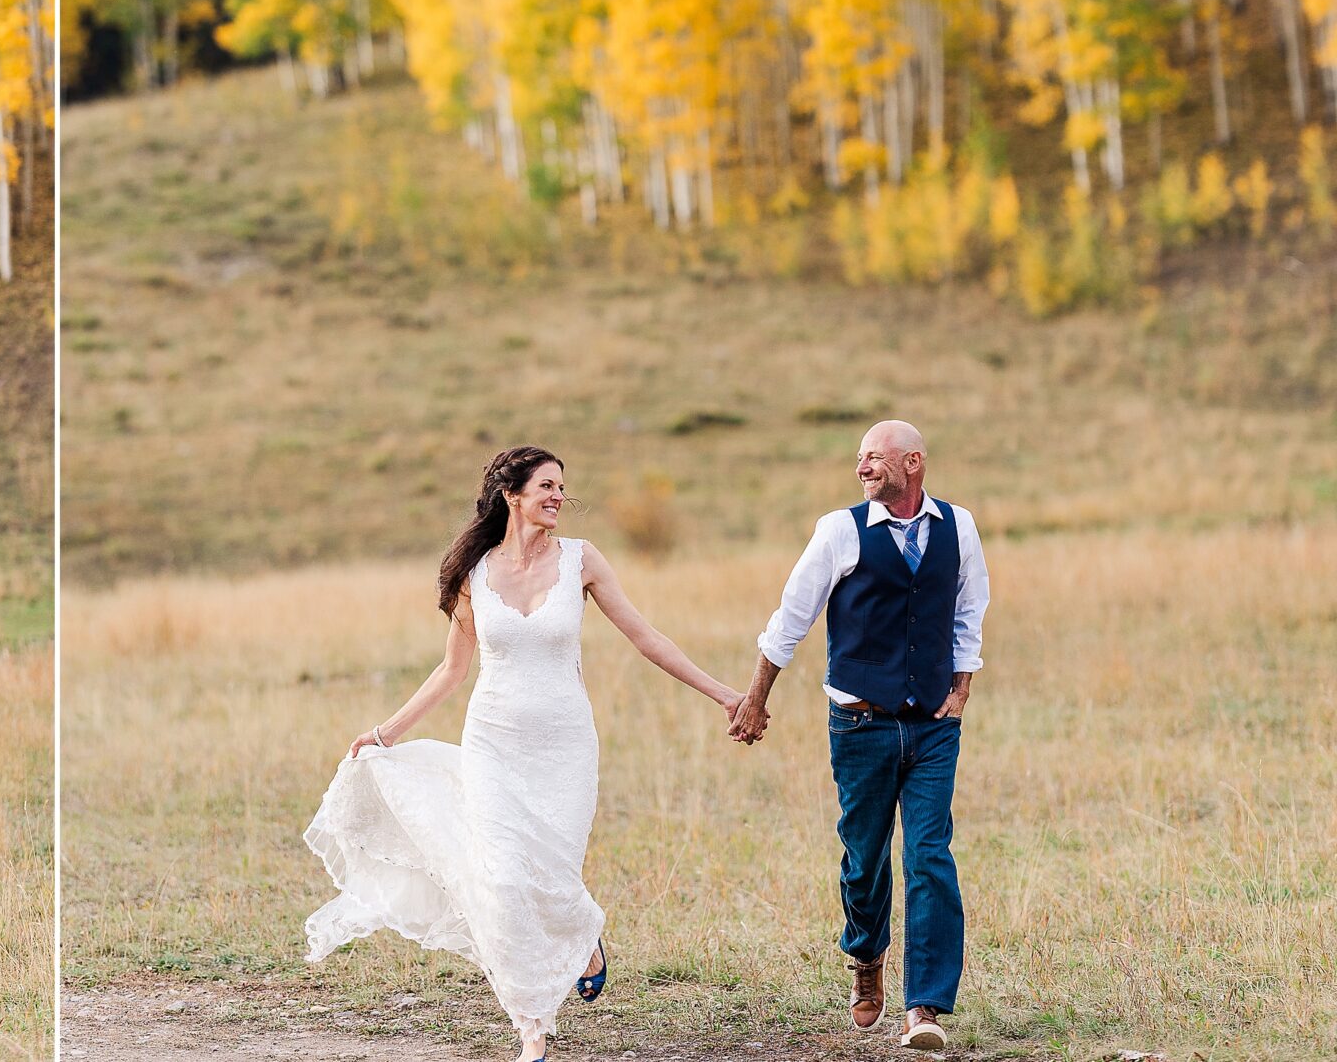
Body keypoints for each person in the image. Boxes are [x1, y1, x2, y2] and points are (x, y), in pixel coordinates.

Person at [302, 446, 754, 1061]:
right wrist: (386, 732)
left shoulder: (581, 561)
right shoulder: (476, 574)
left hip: (566, 748)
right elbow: (451, 669)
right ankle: (531, 1029)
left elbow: (647, 638)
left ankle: (584, 936)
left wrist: (726, 694)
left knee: (554, 876)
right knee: (506, 881)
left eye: (562, 487)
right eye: (546, 486)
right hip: (493, 744)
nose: (558, 497)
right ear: (511, 494)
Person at [730, 419, 989, 1053]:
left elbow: (967, 612)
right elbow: (791, 615)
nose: (862, 468)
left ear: (915, 463)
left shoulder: (959, 526)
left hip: (932, 727)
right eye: (860, 458)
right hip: (861, 723)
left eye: (875, 458)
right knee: (864, 859)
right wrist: (756, 699)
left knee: (930, 856)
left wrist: (959, 693)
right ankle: (866, 953)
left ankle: (924, 1006)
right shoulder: (839, 530)